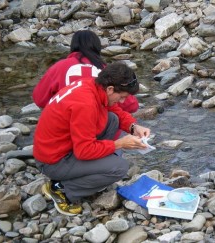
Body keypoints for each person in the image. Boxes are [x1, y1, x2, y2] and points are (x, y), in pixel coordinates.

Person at [34, 62, 150, 216]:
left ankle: (96, 170)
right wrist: (119, 144)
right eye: (122, 97)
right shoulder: (85, 105)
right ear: (110, 89)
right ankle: (61, 188)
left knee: (112, 119)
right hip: (53, 161)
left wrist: (133, 127)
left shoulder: (91, 84)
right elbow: (84, 151)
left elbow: (113, 108)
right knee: (120, 168)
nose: (122, 101)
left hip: (61, 148)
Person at [32, 29, 139, 114]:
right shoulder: (105, 69)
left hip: (64, 123)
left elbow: (39, 99)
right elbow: (132, 106)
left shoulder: (59, 66)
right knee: (114, 117)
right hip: (96, 125)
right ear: (97, 47)